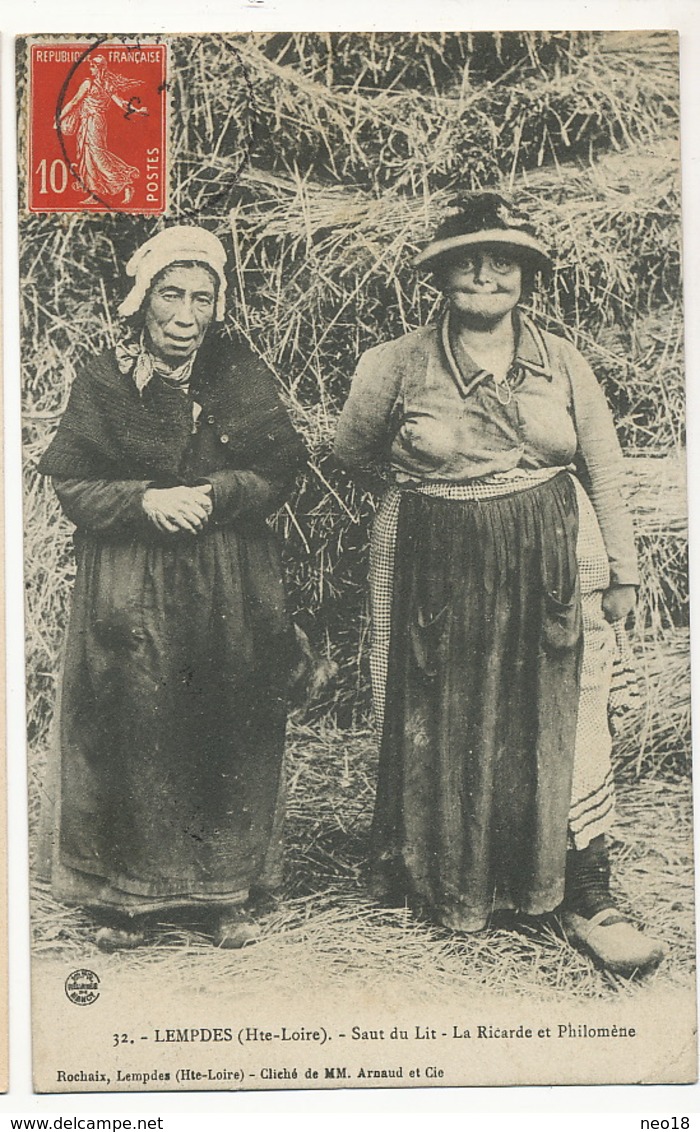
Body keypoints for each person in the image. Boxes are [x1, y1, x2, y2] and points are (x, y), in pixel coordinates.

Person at [334, 193, 664, 977]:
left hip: (553, 557)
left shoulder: (564, 361)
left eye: (504, 261)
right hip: (434, 562)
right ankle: (445, 879)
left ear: (528, 277)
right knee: (441, 709)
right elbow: (351, 452)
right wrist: (437, 492)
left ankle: (585, 893)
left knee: (567, 713)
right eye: (468, 260)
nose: (486, 275)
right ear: (441, 275)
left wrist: (621, 569)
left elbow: (604, 469)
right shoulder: (393, 362)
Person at [38, 225, 306, 951]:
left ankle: (224, 893)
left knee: (224, 716)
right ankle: (126, 901)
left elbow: (282, 471)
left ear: (219, 307)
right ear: (143, 298)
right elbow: (73, 482)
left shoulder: (239, 373)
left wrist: (215, 493)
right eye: (171, 295)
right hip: (131, 582)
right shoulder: (104, 376)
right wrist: (144, 502)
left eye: (202, 298)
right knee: (136, 718)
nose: (185, 316)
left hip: (228, 578)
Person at [56, 54, 147, 205]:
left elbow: (74, 102)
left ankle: (124, 183)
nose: (90, 69)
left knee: (96, 155)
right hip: (92, 121)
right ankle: (95, 193)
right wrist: (136, 110)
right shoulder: (107, 85)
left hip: (93, 121)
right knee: (88, 156)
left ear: (98, 68)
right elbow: (122, 104)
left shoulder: (89, 83)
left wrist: (59, 118)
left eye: (92, 66)